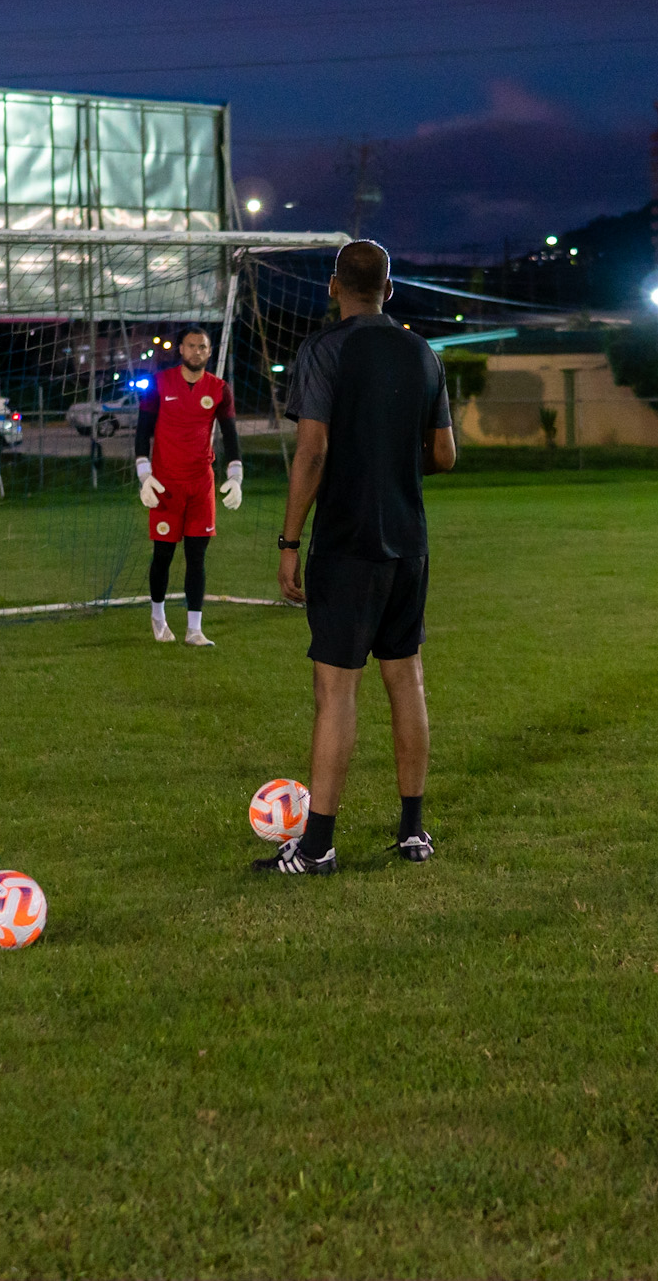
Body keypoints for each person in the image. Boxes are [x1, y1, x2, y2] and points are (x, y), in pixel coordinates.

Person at [257, 240, 456, 876]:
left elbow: (311, 452)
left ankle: (315, 847)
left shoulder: (323, 349)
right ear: (389, 290)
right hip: (410, 544)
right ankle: (412, 832)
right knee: (407, 679)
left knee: (335, 689)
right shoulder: (423, 351)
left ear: (334, 286)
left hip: (346, 544)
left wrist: (289, 542)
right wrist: (392, 455)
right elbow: (445, 455)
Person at [134, 327, 242, 647]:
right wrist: (144, 473)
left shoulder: (220, 390)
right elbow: (142, 432)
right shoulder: (159, 384)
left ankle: (194, 629)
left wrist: (235, 475)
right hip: (166, 483)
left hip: (200, 484)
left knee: (197, 557)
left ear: (210, 352)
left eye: (203, 347)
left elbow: (231, 436)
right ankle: (158, 617)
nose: (196, 351)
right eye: (191, 346)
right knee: (163, 555)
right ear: (180, 349)